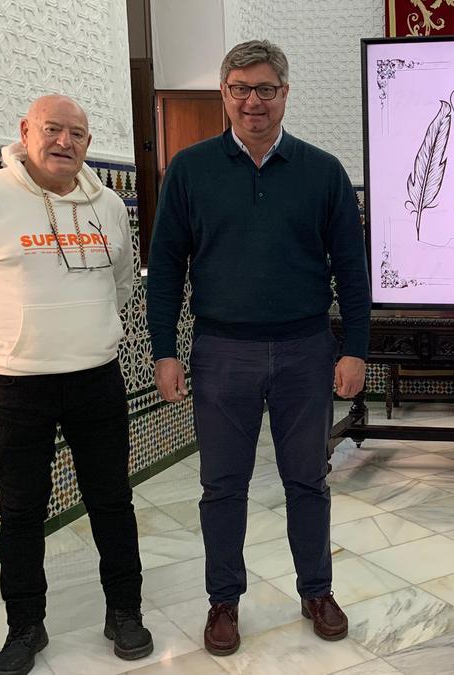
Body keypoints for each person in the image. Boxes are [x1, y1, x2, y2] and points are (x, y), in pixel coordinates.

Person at [0, 95, 152, 675]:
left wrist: (92, 329)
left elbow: (122, 284)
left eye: (77, 133)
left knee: (112, 501)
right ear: (25, 131)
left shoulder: (110, 207)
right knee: (21, 510)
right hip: (13, 386)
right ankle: (25, 625)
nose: (64, 142)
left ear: (88, 144)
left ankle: (124, 610)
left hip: (96, 377)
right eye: (52, 129)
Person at [146, 40, 370, 656]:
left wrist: (355, 348)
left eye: (265, 88)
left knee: (308, 480)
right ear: (224, 95)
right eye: (241, 88)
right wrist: (164, 349)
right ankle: (223, 601)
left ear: (284, 95)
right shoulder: (189, 171)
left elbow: (352, 270)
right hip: (222, 352)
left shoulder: (322, 172)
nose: (253, 101)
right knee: (222, 486)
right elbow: (165, 267)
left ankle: (316, 590)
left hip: (305, 349)